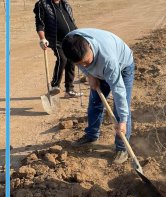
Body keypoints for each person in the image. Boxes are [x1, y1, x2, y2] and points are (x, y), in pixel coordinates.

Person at [62, 28, 135, 165]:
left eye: (86, 61)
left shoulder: (109, 60)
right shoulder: (70, 42)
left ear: (89, 46)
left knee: (120, 110)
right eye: (81, 64)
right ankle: (91, 136)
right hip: (97, 70)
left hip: (123, 66)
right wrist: (89, 74)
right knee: (95, 102)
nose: (84, 65)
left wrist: (123, 121)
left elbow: (119, 92)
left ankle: (122, 148)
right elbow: (80, 62)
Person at [33, 0, 83, 98]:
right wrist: (42, 38)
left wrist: (78, 34)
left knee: (71, 61)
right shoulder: (42, 4)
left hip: (71, 38)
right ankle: (54, 85)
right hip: (56, 40)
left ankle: (69, 90)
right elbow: (40, 23)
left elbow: (71, 21)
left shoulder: (65, 4)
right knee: (62, 59)